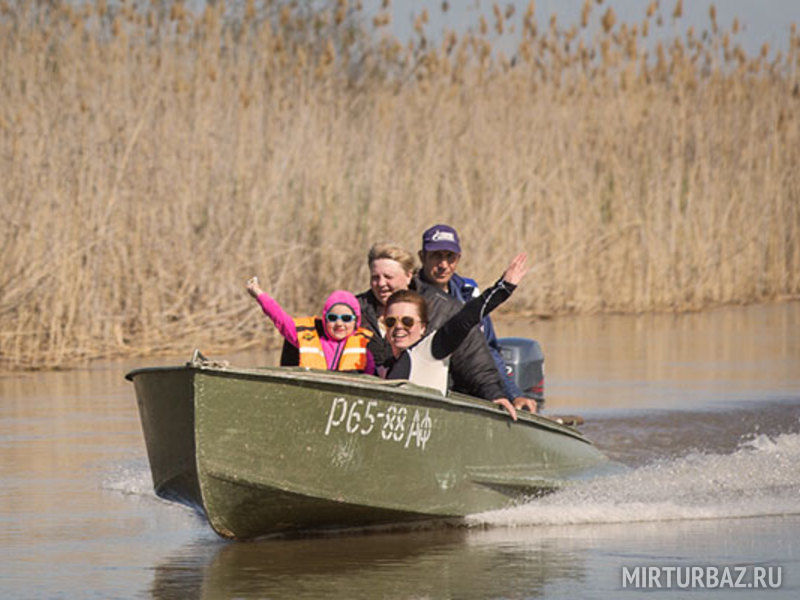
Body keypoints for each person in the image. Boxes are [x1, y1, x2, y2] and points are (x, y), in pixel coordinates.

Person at [382, 253, 529, 420]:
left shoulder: (430, 350)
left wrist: (503, 288)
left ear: (423, 327)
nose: (398, 327)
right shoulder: (384, 360)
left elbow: (465, 319)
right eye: (391, 321)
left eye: (407, 321)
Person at [356, 243, 509, 403]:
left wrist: (494, 395)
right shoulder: (353, 311)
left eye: (388, 277)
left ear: (409, 276)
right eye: (375, 277)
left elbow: (474, 357)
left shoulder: (443, 309)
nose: (381, 284)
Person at [417, 224, 538, 414]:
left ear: (458, 259)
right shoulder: (410, 294)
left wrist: (513, 394)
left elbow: (488, 349)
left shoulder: (468, 292)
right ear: (422, 257)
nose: (443, 265)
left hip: (474, 389)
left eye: (450, 257)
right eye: (436, 256)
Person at [246, 277, 375, 374]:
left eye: (346, 319)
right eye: (332, 318)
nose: (339, 324)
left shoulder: (364, 346)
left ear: (355, 321)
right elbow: (281, 320)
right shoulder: (309, 337)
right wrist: (260, 295)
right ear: (325, 319)